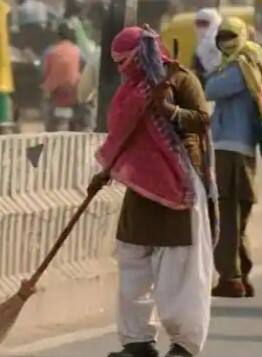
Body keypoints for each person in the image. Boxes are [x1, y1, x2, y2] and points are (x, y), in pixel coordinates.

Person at [89, 25, 218, 357]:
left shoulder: (181, 80)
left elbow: (202, 119)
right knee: (133, 263)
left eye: (124, 61)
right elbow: (124, 137)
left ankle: (184, 345)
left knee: (180, 272)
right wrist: (105, 172)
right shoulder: (130, 91)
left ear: (142, 54)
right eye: (116, 63)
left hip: (179, 186)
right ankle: (137, 342)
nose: (120, 68)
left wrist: (169, 111)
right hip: (140, 188)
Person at [205, 17, 262, 298]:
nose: (224, 41)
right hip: (242, 147)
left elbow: (210, 89)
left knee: (227, 215)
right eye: (221, 36)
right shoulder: (255, 62)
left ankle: (230, 277)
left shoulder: (240, 66)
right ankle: (240, 275)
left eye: (229, 36)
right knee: (237, 216)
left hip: (230, 148)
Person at [41, 22, 83, 131]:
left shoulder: (50, 51)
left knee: (46, 104)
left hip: (55, 90)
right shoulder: (78, 50)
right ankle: (87, 127)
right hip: (73, 90)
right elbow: (84, 68)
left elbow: (45, 72)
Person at [192, 8, 222, 86]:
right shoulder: (199, 48)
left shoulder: (222, 44)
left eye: (204, 23)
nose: (201, 27)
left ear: (214, 23)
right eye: (198, 24)